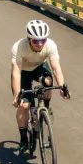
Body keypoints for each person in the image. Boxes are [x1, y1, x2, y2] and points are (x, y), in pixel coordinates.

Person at [11, 19, 69, 152]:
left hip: (39, 67)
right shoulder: (18, 47)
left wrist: (62, 87)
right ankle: (24, 139)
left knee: (48, 82)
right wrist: (16, 95)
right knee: (24, 105)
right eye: (36, 41)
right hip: (23, 71)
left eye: (43, 40)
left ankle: (45, 109)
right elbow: (16, 73)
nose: (40, 44)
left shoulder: (50, 45)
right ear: (29, 38)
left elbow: (56, 68)